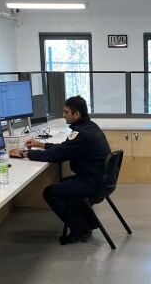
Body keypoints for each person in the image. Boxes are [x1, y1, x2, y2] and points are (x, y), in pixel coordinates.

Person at [9, 95, 111, 244]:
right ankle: (89, 222)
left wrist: (25, 153)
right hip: (100, 180)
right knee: (63, 184)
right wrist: (40, 144)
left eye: (66, 112)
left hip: (93, 183)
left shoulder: (81, 133)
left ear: (76, 114)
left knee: (51, 192)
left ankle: (81, 229)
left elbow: (58, 155)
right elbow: (65, 148)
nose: (63, 115)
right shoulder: (89, 127)